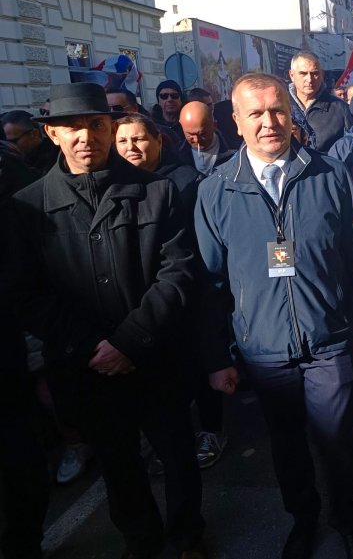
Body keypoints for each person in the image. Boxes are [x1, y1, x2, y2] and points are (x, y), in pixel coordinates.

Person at [7, 82, 206, 559]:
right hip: (85, 368)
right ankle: (141, 540)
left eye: (95, 125)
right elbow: (26, 294)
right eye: (70, 128)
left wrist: (131, 341)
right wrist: (93, 347)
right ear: (52, 134)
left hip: (157, 359)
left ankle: (187, 539)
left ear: (110, 126)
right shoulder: (26, 207)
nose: (84, 137)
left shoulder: (157, 191)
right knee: (118, 466)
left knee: (179, 459)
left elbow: (178, 273)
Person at [195, 73, 353, 559]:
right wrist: (218, 356)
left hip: (329, 340)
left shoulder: (329, 176)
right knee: (288, 447)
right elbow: (208, 284)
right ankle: (303, 519)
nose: (268, 123)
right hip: (264, 348)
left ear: (291, 114)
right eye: (254, 114)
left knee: (337, 443)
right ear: (236, 122)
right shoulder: (216, 190)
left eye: (276, 110)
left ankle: (346, 518)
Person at [113, 114, 227, 469]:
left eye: (139, 139)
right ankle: (170, 441)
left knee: (198, 365)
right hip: (147, 297)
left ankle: (211, 429)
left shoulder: (186, 181)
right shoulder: (115, 184)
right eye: (123, 142)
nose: (132, 148)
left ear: (159, 141)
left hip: (191, 289)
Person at [0, 136, 48, 559]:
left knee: (19, 467)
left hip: (8, 359)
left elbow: (27, 288)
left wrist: (40, 363)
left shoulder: (14, 198)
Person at [288, 51, 353, 153]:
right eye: (303, 73)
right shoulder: (279, 106)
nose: (309, 79)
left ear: (322, 74)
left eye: (315, 73)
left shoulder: (341, 109)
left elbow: (352, 148)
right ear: (292, 75)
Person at [177, 101, 236, 176]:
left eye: (202, 134)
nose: (196, 140)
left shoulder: (234, 152)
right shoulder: (176, 156)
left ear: (214, 125)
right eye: (190, 135)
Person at [1, 110, 59, 175]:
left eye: (12, 141)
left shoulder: (57, 157)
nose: (8, 146)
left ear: (34, 134)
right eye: (3, 142)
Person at [153, 79, 186, 145]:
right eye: (164, 96)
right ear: (158, 101)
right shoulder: (152, 126)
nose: (170, 99)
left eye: (174, 96)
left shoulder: (188, 124)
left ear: (181, 100)